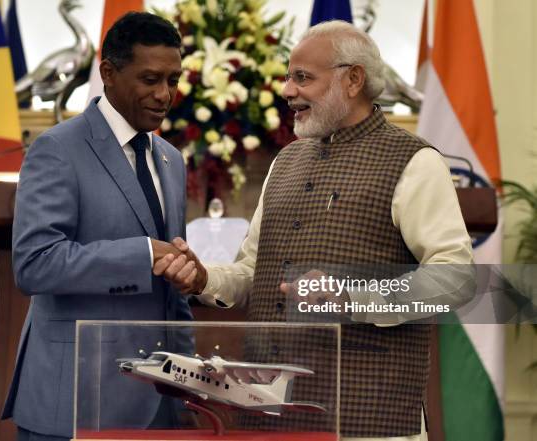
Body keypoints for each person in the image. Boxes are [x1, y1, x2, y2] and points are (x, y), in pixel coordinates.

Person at [156, 20, 474, 440]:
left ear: (353, 80)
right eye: (289, 77)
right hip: (270, 413)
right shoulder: (285, 162)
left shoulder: (413, 161)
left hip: (366, 419)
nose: (287, 90)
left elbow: (455, 277)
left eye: (302, 78)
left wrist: (354, 299)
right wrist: (202, 277)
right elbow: (254, 271)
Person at [2, 12, 193, 441]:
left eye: (174, 80)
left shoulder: (171, 160)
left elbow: (171, 292)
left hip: (160, 403)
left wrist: (187, 389)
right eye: (150, 79)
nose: (164, 95)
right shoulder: (57, 149)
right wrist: (144, 254)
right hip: (73, 402)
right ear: (108, 72)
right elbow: (34, 264)